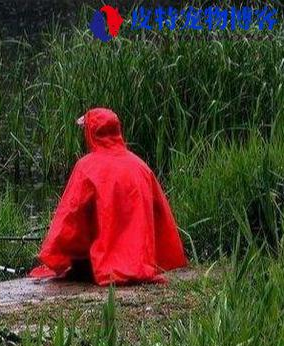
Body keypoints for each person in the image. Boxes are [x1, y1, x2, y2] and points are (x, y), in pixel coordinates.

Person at [30, 108, 188, 285]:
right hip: (142, 261)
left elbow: (70, 219)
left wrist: (54, 256)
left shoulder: (86, 167)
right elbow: (162, 217)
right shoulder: (140, 166)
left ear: (92, 133)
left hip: (101, 265)